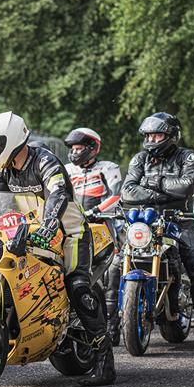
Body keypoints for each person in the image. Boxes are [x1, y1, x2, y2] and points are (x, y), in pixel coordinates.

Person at [0, 111, 115, 386]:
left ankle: (105, 363)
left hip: (69, 233)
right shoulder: (2, 168)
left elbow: (59, 193)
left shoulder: (44, 160)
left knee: (77, 287)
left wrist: (49, 224)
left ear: (10, 142)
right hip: (30, 234)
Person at [121, 112, 194, 349]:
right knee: (116, 265)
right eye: (150, 135)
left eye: (158, 135)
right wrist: (166, 191)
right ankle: (114, 328)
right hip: (146, 221)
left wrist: (151, 184)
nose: (153, 140)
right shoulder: (139, 159)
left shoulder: (188, 158)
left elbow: (186, 187)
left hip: (181, 221)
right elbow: (127, 192)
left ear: (172, 136)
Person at [63, 127, 124, 344]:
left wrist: (94, 212)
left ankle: (112, 326)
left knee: (113, 270)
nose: (75, 152)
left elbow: (117, 195)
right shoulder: (67, 170)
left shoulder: (108, 168)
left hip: (102, 225)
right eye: (73, 148)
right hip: (73, 228)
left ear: (92, 148)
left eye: (79, 148)